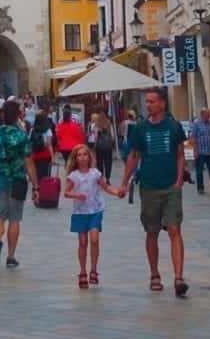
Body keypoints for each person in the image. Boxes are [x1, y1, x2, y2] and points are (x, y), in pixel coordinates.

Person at [120, 88, 188, 297]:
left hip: (170, 187)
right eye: (147, 102)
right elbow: (133, 155)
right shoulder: (140, 129)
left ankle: (178, 277)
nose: (147, 105)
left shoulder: (173, 126)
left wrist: (178, 180)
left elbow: (179, 154)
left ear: (162, 104)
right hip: (149, 186)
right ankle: (155, 274)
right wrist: (124, 182)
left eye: (151, 101)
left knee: (174, 230)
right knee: (152, 231)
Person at [0, 98, 39, 269]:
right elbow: (29, 162)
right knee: (14, 219)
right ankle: (11, 257)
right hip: (18, 180)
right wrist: (36, 186)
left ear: (3, 115)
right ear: (17, 116)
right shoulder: (21, 136)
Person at [65, 143, 124, 288]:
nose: (83, 157)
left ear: (89, 156)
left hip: (95, 210)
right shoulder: (73, 176)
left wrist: (117, 192)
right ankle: (83, 271)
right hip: (80, 212)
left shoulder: (95, 173)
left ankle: (94, 270)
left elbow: (105, 187)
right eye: (79, 155)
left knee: (94, 239)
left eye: (85, 154)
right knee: (83, 242)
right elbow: (66, 193)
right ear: (75, 158)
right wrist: (76, 195)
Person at [93, 108, 116, 183]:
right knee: (108, 162)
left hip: (99, 147)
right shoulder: (109, 123)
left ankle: (101, 178)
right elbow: (112, 136)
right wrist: (111, 143)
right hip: (108, 147)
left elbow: (96, 137)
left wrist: (95, 144)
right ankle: (108, 179)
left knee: (100, 162)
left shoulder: (97, 124)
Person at [30, 113, 55, 181]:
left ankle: (36, 189)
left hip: (35, 154)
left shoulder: (32, 130)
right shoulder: (48, 130)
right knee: (45, 174)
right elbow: (49, 144)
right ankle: (44, 189)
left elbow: (30, 143)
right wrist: (52, 157)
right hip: (45, 154)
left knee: (36, 173)